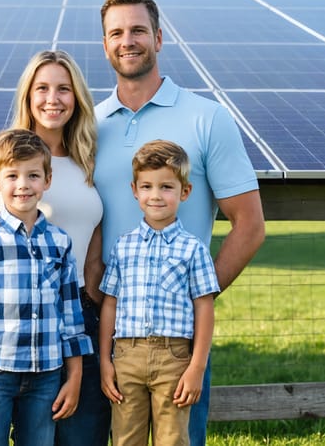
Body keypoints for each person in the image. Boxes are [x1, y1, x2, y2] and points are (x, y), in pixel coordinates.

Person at [94, 0, 266, 446]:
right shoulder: (88, 124)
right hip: (100, 328)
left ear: (159, 38)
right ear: (105, 43)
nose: (127, 41)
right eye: (116, 33)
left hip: (176, 337)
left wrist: (197, 298)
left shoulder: (207, 118)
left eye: (137, 30)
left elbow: (249, 225)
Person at [0, 50, 110, 445]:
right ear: (27, 95)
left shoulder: (90, 157)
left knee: (81, 438)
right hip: (7, 326)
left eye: (64, 89)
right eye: (42, 88)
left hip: (77, 322)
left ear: (78, 98)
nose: (52, 99)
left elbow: (91, 253)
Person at [99, 140, 219, 446]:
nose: (156, 195)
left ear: (184, 191)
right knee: (125, 438)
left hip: (174, 357)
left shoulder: (193, 249)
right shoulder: (123, 246)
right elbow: (110, 304)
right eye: (147, 186)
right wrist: (105, 360)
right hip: (126, 355)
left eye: (166, 187)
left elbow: (204, 308)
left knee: (173, 439)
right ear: (134, 190)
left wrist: (197, 367)